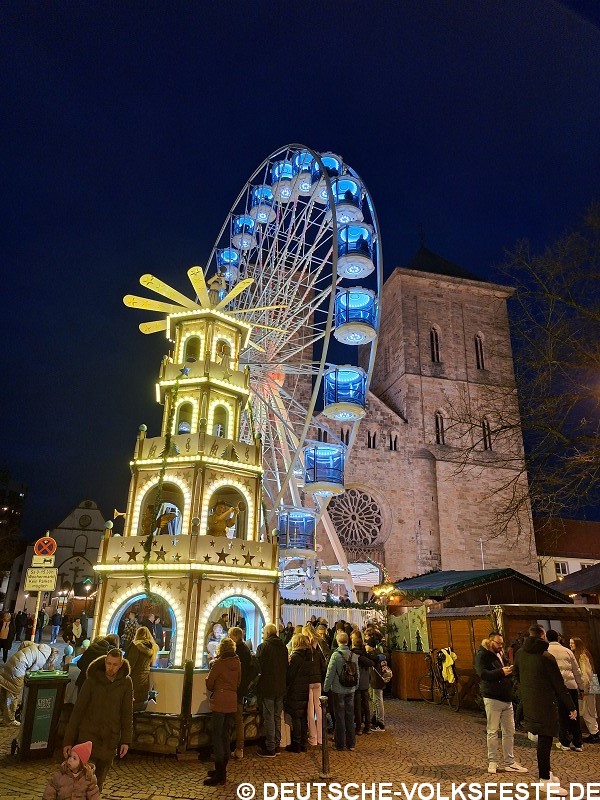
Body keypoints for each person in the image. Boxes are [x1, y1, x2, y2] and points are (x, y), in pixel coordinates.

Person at [513, 624, 576, 796]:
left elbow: (516, 674)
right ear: (542, 636)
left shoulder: (520, 653)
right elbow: (559, 685)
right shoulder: (546, 657)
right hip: (545, 703)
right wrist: (571, 706)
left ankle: (546, 773)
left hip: (530, 702)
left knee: (542, 739)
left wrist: (525, 692)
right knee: (545, 740)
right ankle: (544, 779)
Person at [63, 647, 133, 790]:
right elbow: (78, 710)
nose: (111, 667)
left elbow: (127, 713)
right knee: (82, 782)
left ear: (120, 665)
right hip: (88, 737)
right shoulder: (93, 680)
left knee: (97, 784)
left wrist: (125, 740)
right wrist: (68, 740)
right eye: (109, 663)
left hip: (109, 738)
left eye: (115, 664)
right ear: (105, 661)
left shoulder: (126, 683)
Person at [474, 632, 527, 774]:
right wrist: (501, 672)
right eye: (498, 643)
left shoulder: (500, 653)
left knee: (509, 731)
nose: (500, 646)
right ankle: (493, 762)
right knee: (492, 731)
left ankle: (510, 762)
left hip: (506, 697)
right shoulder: (482, 655)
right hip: (492, 697)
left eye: (502, 643)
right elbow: (482, 674)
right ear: (490, 641)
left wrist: (509, 672)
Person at [203, 636, 240, 786]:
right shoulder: (237, 662)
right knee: (226, 736)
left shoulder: (218, 663)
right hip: (232, 701)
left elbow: (210, 683)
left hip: (219, 701)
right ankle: (222, 769)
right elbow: (238, 682)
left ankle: (220, 775)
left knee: (217, 737)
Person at [546, 629, 584, 752]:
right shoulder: (567, 651)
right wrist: (581, 687)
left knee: (561, 715)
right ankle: (578, 743)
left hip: (556, 688)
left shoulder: (546, 651)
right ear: (558, 638)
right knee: (574, 714)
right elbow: (577, 671)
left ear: (547, 638)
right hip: (571, 686)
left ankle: (565, 742)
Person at [0, 641, 55, 725]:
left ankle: (3, 714)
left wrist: (21, 655)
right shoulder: (42, 659)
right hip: (18, 670)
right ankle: (9, 720)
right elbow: (31, 674)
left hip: (11, 662)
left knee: (5, 687)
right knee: (13, 694)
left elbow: (24, 643)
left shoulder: (39, 646)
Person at [255, 622, 289, 757]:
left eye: (263, 633)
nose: (263, 635)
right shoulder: (283, 647)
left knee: (269, 717)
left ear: (267, 633)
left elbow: (258, 666)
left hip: (268, 687)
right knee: (277, 717)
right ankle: (277, 745)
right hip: (280, 686)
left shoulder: (263, 647)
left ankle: (270, 748)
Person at [323, 631, 358, 752]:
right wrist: (355, 686)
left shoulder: (335, 655)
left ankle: (340, 744)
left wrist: (325, 688)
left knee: (339, 716)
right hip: (351, 689)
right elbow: (357, 673)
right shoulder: (353, 655)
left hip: (338, 690)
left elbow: (330, 673)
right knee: (350, 716)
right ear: (347, 641)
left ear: (337, 641)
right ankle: (351, 743)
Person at [285, 633, 314, 752]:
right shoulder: (308, 656)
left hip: (296, 689)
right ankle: (303, 742)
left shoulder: (296, 657)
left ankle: (296, 743)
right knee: (302, 716)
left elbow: (290, 674)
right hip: (304, 688)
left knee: (296, 716)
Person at [228, 626, 254, 760]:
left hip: (234, 689)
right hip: (241, 689)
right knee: (238, 719)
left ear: (235, 636)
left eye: (230, 636)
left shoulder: (235, 651)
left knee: (235, 719)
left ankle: (235, 747)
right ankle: (239, 748)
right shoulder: (246, 649)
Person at [569, 637, 599, 742]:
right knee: (588, 710)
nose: (570, 645)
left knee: (588, 711)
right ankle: (594, 732)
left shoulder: (582, 656)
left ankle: (594, 733)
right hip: (590, 686)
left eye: (572, 643)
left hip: (588, 687)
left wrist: (584, 689)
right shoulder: (582, 655)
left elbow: (586, 674)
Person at [125, 626, 158, 711]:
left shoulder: (135, 646)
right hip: (144, 684)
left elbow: (129, 665)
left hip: (133, 682)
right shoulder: (152, 648)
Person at [302, 625, 326, 747]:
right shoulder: (319, 645)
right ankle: (321, 737)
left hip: (308, 680)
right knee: (319, 708)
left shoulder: (305, 646)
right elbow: (323, 664)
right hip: (318, 680)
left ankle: (313, 737)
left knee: (310, 710)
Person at [351, 632, 376, 736]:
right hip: (365, 683)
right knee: (366, 704)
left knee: (357, 705)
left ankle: (358, 727)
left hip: (356, 683)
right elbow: (371, 663)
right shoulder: (364, 654)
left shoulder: (353, 655)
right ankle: (367, 726)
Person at [366, 638, 387, 730]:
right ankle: (376, 718)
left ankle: (380, 723)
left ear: (371, 647)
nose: (365, 646)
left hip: (377, 680)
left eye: (367, 645)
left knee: (378, 700)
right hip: (375, 680)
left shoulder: (375, 656)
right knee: (375, 700)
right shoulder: (376, 654)